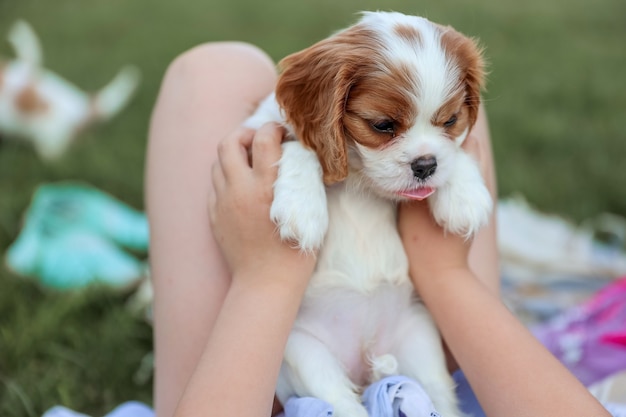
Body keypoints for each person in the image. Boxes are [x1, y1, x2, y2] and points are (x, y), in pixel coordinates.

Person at [145, 42, 610, 417]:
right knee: (445, 86)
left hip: (279, 354)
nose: (425, 154)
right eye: (386, 126)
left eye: (445, 125)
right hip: (412, 331)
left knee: (212, 71)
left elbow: (283, 133)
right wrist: (447, 272)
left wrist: (263, 280)